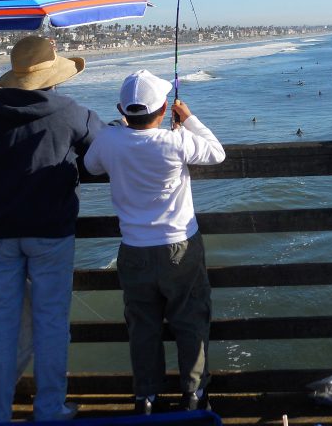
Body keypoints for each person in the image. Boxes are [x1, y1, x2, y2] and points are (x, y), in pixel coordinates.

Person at [0, 36, 104, 422]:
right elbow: (102, 152)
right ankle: (49, 408)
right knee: (51, 324)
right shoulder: (72, 114)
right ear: (53, 76)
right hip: (51, 231)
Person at [84, 70, 226, 414]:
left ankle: (145, 397)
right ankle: (193, 395)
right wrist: (188, 119)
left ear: (122, 109)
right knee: (190, 320)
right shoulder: (175, 141)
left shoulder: (108, 140)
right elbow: (217, 153)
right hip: (180, 247)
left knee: (143, 326)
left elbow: (90, 166)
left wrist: (115, 131)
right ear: (164, 109)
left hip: (133, 249)